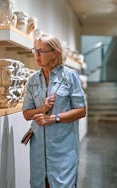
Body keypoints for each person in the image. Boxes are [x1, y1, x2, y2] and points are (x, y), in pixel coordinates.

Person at [22, 33, 86, 188]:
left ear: (55, 53)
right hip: (38, 151)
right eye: (35, 50)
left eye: (41, 51)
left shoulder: (70, 76)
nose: (36, 55)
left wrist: (54, 118)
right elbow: (26, 114)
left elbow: (81, 110)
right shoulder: (32, 81)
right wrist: (43, 109)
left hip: (63, 149)